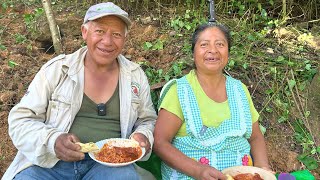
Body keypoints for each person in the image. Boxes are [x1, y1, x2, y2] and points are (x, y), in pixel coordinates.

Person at [3, 2, 157, 180]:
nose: (107, 42)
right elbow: (20, 120)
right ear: (84, 32)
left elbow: (147, 120)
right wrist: (53, 141)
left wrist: (143, 135)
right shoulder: (58, 70)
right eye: (99, 31)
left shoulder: (135, 76)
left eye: (116, 34)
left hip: (110, 166)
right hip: (50, 164)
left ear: (124, 39)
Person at [154, 23, 273, 180]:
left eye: (220, 44)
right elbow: (160, 143)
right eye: (204, 44)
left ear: (228, 53)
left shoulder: (239, 90)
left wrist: (262, 168)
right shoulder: (180, 91)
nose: (213, 50)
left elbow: (256, 137)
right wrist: (198, 171)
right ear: (193, 52)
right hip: (190, 176)